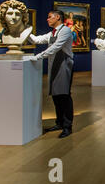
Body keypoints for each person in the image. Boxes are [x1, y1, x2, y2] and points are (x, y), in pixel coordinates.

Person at [28, 10, 74, 138]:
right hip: (54, 66)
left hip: (64, 65)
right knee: (56, 96)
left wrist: (39, 56)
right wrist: (26, 31)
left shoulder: (65, 31)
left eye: (49, 17)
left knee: (64, 95)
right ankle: (59, 122)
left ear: (57, 17)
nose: (47, 19)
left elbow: (56, 47)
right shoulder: (52, 32)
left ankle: (67, 126)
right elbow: (37, 40)